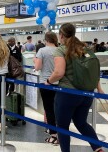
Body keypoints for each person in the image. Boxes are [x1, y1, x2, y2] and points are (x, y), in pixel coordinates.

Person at [46, 23, 104, 152]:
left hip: (68, 94)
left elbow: (59, 73)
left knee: (62, 126)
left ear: (61, 35)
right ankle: (98, 148)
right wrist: (98, 88)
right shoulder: (84, 48)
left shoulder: (61, 50)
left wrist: (48, 81)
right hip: (87, 94)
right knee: (82, 123)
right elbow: (93, 71)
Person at [34, 32, 59, 145]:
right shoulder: (60, 50)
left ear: (46, 40)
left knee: (48, 109)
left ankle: (53, 135)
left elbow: (38, 67)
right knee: (57, 108)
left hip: (46, 82)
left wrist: (35, 61)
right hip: (60, 83)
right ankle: (58, 130)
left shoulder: (42, 51)